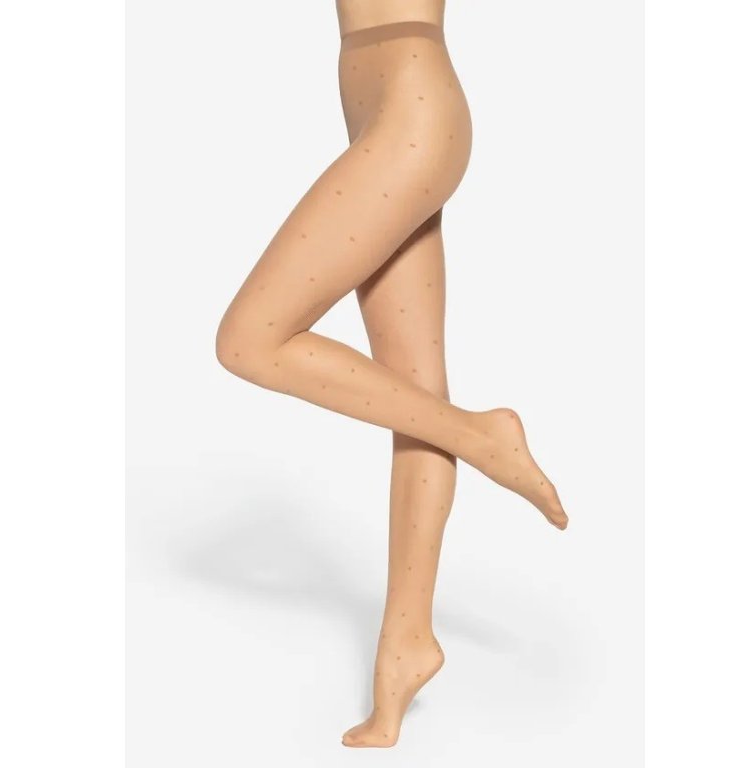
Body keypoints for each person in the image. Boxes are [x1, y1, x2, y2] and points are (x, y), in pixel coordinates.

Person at [215, 0, 568, 748]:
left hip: (413, 108)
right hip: (382, 106)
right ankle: (406, 642)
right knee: (414, 396)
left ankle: (484, 436)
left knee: (249, 339)